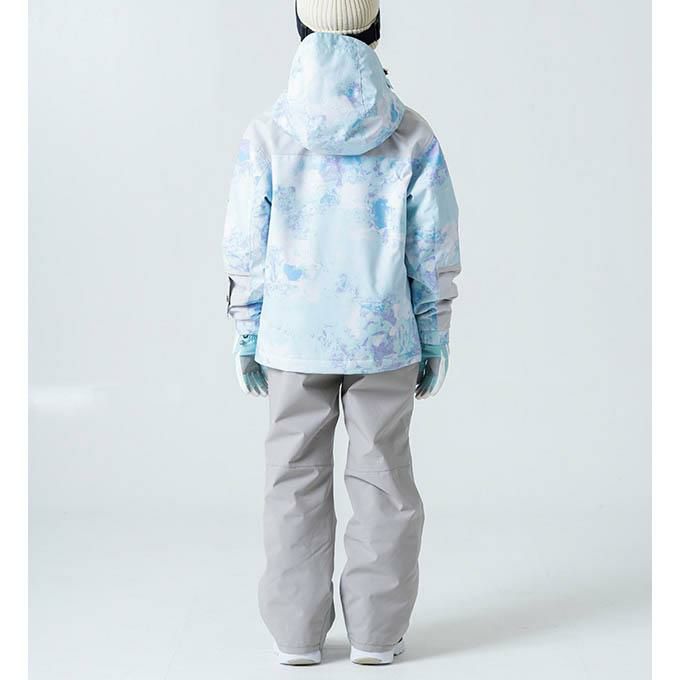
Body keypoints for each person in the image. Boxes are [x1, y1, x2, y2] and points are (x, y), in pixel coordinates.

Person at [223, 0, 461, 666]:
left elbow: (245, 244)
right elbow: (433, 247)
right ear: (375, 32)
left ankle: (295, 636)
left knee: (292, 480)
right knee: (383, 479)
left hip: (292, 338)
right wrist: (433, 333)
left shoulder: (268, 133)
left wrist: (247, 328)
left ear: (300, 31)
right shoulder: (411, 134)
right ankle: (377, 636)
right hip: (383, 336)